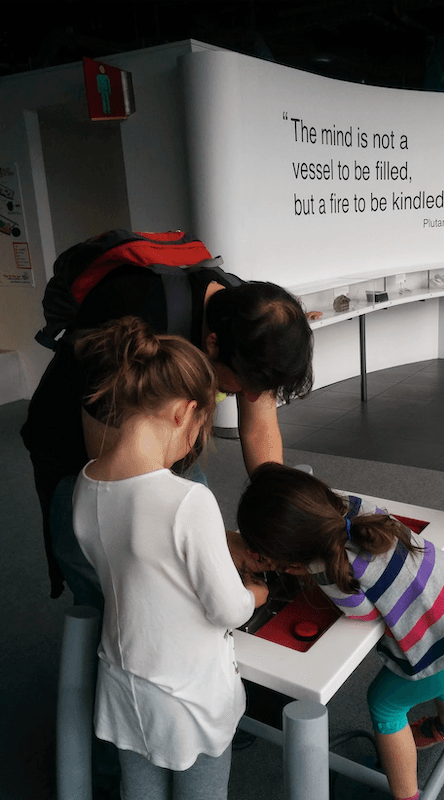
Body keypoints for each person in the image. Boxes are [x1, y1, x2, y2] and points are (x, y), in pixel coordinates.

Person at [21, 252, 313, 599]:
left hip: (169, 446)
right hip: (82, 460)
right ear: (212, 343)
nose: (250, 399)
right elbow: (120, 479)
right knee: (115, 592)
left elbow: (259, 429)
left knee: (187, 569)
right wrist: (207, 541)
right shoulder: (134, 311)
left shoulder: (252, 323)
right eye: (242, 386)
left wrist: (273, 520)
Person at [70, 316, 268, 800]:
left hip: (122, 685)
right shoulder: (187, 500)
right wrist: (256, 592)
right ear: (184, 412)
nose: (192, 444)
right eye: (199, 426)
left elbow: (139, 573)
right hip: (189, 695)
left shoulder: (86, 481)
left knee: (138, 791)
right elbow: (228, 610)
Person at [236, 463, 444, 800]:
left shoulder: (328, 570)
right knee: (441, 667)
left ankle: (407, 795)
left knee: (384, 704)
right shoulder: (351, 507)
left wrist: (311, 578)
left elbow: (363, 614)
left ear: (292, 561)